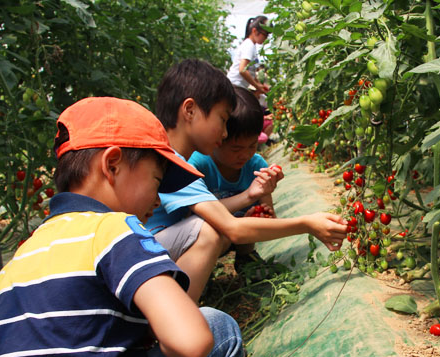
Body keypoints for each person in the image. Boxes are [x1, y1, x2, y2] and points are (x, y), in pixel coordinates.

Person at [0, 97, 243, 357]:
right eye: (157, 180)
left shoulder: (20, 259)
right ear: (112, 164)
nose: (157, 200)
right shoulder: (112, 228)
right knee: (219, 330)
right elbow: (191, 341)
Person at [148, 59, 347, 302]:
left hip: (153, 251)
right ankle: (175, 322)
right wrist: (307, 223)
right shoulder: (174, 162)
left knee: (214, 227)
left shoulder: (172, 157)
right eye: (222, 120)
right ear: (189, 111)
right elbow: (232, 229)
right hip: (146, 257)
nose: (223, 133)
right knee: (210, 230)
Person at [188, 86, 276, 269]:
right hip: (205, 235)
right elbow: (192, 215)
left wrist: (262, 215)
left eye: (252, 146)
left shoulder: (257, 166)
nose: (245, 155)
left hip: (238, 233)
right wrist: (248, 197)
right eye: (236, 149)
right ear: (219, 139)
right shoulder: (197, 165)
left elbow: (269, 212)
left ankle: (245, 256)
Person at [226, 15, 270, 97]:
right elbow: (242, 69)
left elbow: (250, 71)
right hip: (235, 86)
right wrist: (257, 86)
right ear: (254, 31)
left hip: (237, 87)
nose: (266, 38)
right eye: (265, 34)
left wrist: (259, 84)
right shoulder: (249, 45)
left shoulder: (251, 45)